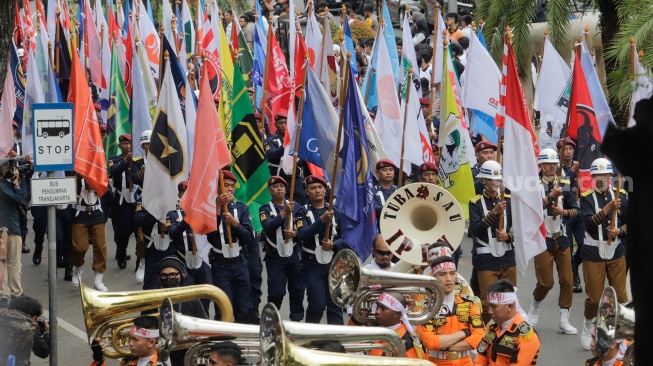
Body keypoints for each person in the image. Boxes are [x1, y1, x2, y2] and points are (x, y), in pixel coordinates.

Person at [526, 148, 579, 335]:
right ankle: (535, 305)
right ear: (540, 165)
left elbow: (576, 210)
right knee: (546, 282)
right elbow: (530, 210)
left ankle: (564, 318)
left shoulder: (565, 184)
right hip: (542, 240)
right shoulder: (532, 185)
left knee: (567, 280)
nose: (552, 167)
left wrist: (564, 212)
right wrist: (550, 198)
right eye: (548, 164)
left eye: (555, 164)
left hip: (562, 238)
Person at [578, 158, 628, 350]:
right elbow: (588, 224)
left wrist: (619, 232)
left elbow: (629, 223)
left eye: (605, 175)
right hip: (593, 253)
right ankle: (588, 324)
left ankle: (623, 335)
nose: (602, 178)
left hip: (616, 252)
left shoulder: (621, 196)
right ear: (592, 177)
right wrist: (608, 209)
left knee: (621, 297)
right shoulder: (586, 198)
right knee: (595, 298)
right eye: (598, 175)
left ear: (611, 176)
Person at [296, 175, 350, 324]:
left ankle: (335, 340)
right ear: (307, 191)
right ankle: (310, 336)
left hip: (334, 263)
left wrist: (334, 245)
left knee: (335, 304)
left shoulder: (336, 212)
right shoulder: (302, 212)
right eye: (312, 188)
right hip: (313, 264)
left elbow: (347, 238)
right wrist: (321, 221)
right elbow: (302, 235)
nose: (317, 191)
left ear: (325, 189)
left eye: (320, 187)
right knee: (317, 304)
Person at [468, 161, 516, 322]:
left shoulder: (509, 201)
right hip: (486, 260)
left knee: (509, 300)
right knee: (488, 303)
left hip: (508, 257)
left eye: (497, 179)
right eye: (490, 179)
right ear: (483, 181)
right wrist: (494, 213)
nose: (494, 183)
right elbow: (475, 230)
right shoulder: (475, 202)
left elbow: (522, 230)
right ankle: (480, 335)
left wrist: (508, 236)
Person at [207, 170, 255, 324]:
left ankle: (242, 342)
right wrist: (218, 208)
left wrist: (235, 224)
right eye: (226, 186)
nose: (229, 189)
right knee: (223, 306)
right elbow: (210, 235)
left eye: (232, 186)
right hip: (221, 263)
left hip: (240, 262)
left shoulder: (241, 208)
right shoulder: (211, 208)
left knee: (244, 306)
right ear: (219, 188)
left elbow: (249, 237)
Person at [418, 256, 484, 365]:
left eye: (452, 273)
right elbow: (429, 342)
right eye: (443, 274)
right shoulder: (426, 307)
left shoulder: (469, 303)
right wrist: (465, 332)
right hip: (437, 362)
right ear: (434, 278)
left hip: (465, 362)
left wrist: (445, 346)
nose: (448, 279)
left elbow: (478, 337)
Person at [259, 176, 305, 322]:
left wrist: (295, 234)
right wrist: (284, 212)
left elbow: (304, 228)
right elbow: (268, 227)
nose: (279, 188)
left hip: (294, 255)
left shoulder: (296, 207)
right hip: (275, 257)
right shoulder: (264, 209)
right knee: (276, 292)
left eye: (282, 186)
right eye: (275, 186)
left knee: (297, 290)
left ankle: (296, 322)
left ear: (286, 189)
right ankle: (271, 319)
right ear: (269, 190)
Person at [473, 279, 540, 366]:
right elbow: (480, 361)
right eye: (489, 305)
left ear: (510, 306)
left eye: (494, 307)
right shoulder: (492, 329)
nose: (489, 311)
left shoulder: (526, 336)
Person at [156, 256, 207, 366]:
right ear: (158, 278)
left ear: (181, 276)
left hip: (186, 354)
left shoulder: (192, 300)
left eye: (173, 274)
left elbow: (204, 327)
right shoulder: (152, 300)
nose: (169, 278)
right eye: (164, 275)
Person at [166, 181, 213, 295]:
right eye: (184, 192)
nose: (187, 195)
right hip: (183, 260)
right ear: (179, 195)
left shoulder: (203, 213)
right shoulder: (172, 214)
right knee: (187, 297)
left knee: (205, 296)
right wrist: (187, 220)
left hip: (202, 260)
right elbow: (172, 233)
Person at [71, 174, 109, 292]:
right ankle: (78, 268)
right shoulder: (75, 175)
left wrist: (96, 184)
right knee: (79, 247)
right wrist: (79, 179)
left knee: (100, 246)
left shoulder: (97, 172)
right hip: (80, 214)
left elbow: (108, 192)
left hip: (97, 213)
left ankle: (99, 278)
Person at [557, 137, 583, 293]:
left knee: (583, 244)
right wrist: (573, 170)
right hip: (564, 212)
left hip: (580, 211)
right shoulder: (557, 167)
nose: (568, 151)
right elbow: (562, 182)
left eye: (571, 149)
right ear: (559, 151)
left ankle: (574, 263)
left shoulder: (581, 167)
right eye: (565, 149)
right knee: (567, 244)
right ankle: (574, 276)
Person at [264, 113, 307, 206]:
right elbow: (272, 156)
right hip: (280, 180)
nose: (283, 125)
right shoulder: (270, 140)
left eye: (285, 123)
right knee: (283, 206)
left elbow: (304, 158)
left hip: (296, 180)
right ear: (275, 125)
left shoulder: (297, 140)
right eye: (280, 123)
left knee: (299, 207)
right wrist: (286, 145)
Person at [108, 134, 137, 269]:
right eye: (125, 143)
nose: (128, 146)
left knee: (138, 230)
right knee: (123, 230)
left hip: (137, 198)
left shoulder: (139, 159)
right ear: (120, 146)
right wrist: (125, 161)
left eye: (130, 143)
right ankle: (121, 252)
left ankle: (140, 260)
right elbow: (112, 171)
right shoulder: (115, 159)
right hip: (121, 199)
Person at [89, 315, 164, 366]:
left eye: (135, 340)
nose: (130, 343)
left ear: (151, 342)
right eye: (131, 338)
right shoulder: (130, 360)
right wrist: (98, 360)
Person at [371, 291, 426, 359]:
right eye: (378, 306)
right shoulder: (377, 332)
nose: (377, 312)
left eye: (383, 308)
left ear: (397, 314)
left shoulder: (408, 343)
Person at [0, 161, 25, 300]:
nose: (8, 170)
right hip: (10, 229)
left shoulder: (5, 185)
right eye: (5, 168)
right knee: (13, 263)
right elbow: (21, 200)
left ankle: (4, 294)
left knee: (1, 261)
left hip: (3, 228)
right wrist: (16, 184)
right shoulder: (4, 187)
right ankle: (16, 293)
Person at [129, 130, 152, 280]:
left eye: (151, 143)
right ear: (142, 145)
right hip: (144, 198)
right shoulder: (137, 161)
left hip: (161, 198)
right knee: (141, 235)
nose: (148, 146)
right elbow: (133, 178)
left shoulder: (163, 160)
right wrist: (141, 174)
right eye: (146, 144)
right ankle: (142, 262)